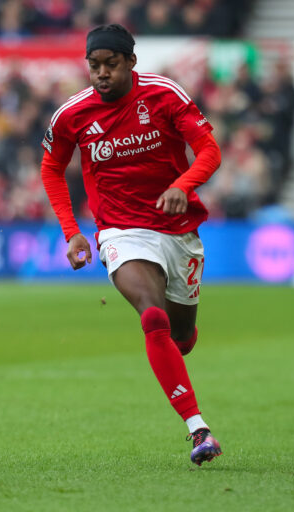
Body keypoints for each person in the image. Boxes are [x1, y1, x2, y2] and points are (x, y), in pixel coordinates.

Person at [40, 23, 223, 466]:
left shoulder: (163, 95)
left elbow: (209, 150)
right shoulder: (72, 114)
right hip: (122, 231)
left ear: (131, 63)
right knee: (152, 315)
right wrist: (72, 232)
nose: (101, 74)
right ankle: (198, 429)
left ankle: (180, 340)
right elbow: (51, 168)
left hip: (178, 231)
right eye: (94, 65)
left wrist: (183, 184)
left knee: (180, 337)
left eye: (111, 64)